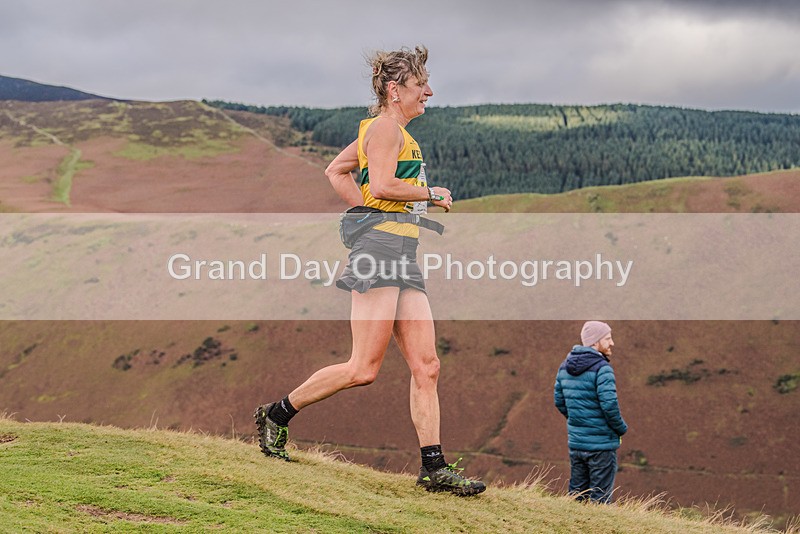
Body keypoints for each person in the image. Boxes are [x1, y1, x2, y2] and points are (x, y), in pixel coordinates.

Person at [253, 45, 486, 496]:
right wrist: (427, 194)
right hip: (379, 251)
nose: (429, 93)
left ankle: (434, 469)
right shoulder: (383, 128)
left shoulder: (388, 130)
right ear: (395, 90)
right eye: (421, 86)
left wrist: (367, 209)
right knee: (363, 368)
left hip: (401, 251)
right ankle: (276, 413)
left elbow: (337, 170)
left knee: (428, 365)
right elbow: (379, 183)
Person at [554, 321, 628, 503]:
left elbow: (559, 401)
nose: (612, 343)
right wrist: (621, 428)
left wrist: (578, 420)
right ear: (595, 342)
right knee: (600, 499)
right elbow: (609, 405)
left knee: (577, 497)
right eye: (608, 338)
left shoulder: (565, 367)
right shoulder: (603, 369)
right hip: (601, 446)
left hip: (577, 443)